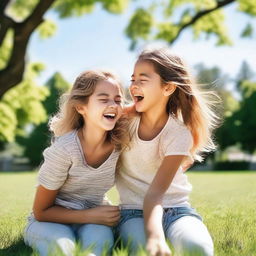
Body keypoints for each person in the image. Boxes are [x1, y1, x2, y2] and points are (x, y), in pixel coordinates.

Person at [115, 47, 218, 256]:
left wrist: (157, 236)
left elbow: (155, 194)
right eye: (132, 79)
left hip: (176, 210)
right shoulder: (122, 121)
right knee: (143, 251)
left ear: (168, 88)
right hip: (132, 212)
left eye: (142, 80)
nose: (133, 86)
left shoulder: (179, 133)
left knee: (198, 249)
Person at [24, 70, 129, 256]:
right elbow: (41, 211)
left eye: (118, 100)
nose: (113, 105)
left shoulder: (121, 145)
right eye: (103, 99)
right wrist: (89, 215)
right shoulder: (64, 149)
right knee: (64, 249)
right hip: (49, 222)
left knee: (98, 249)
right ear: (81, 107)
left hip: (93, 220)